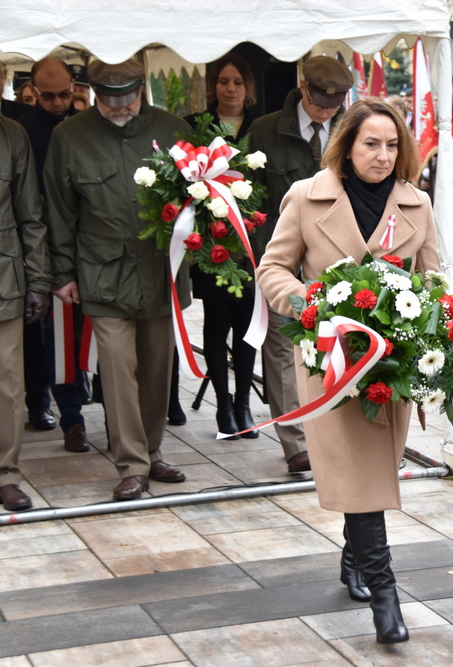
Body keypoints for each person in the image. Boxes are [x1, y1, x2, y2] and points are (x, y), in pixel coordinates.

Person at [257, 97, 438, 643]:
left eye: (391, 145)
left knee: (364, 475)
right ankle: (386, 598)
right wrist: (312, 304)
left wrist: (428, 317)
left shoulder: (418, 206)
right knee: (359, 473)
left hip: (390, 367)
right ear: (347, 146)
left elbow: (434, 284)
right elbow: (272, 269)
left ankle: (352, 558)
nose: (382, 155)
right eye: (370, 144)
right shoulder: (307, 198)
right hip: (329, 366)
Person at [45, 57, 190, 501]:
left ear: (141, 89)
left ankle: (151, 449)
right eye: (108, 100)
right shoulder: (69, 137)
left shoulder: (172, 129)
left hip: (159, 269)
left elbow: (200, 195)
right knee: (117, 371)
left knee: (157, 369)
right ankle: (131, 464)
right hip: (101, 271)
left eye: (126, 98)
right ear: (91, 93)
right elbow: (59, 211)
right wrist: (63, 273)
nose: (119, 107)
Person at [247, 55, 353, 472]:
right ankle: (296, 442)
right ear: (303, 88)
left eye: (335, 103)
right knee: (281, 348)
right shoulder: (265, 131)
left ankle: (335, 429)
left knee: (338, 345)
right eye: (320, 102)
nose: (327, 111)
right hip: (283, 257)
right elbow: (248, 201)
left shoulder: (351, 129)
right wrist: (263, 258)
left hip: (338, 264)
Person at [184, 53, 262, 439]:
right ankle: (223, 407)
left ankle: (245, 406)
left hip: (252, 246)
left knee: (248, 328)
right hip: (211, 245)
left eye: (237, 82)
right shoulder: (196, 128)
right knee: (216, 326)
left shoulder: (260, 129)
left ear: (248, 88)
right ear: (213, 86)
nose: (230, 88)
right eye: (223, 81)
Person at [18, 57, 91, 451]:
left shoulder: (84, 127)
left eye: (65, 94)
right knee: (45, 334)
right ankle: (53, 409)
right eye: (47, 96)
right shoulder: (25, 132)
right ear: (33, 90)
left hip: (86, 243)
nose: (57, 102)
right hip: (40, 245)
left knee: (85, 332)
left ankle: (78, 404)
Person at [0, 114, 51, 512]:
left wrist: (38, 281)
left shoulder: (11, 134)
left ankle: (6, 474)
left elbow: (30, 214)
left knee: (8, 381)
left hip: (5, 277)